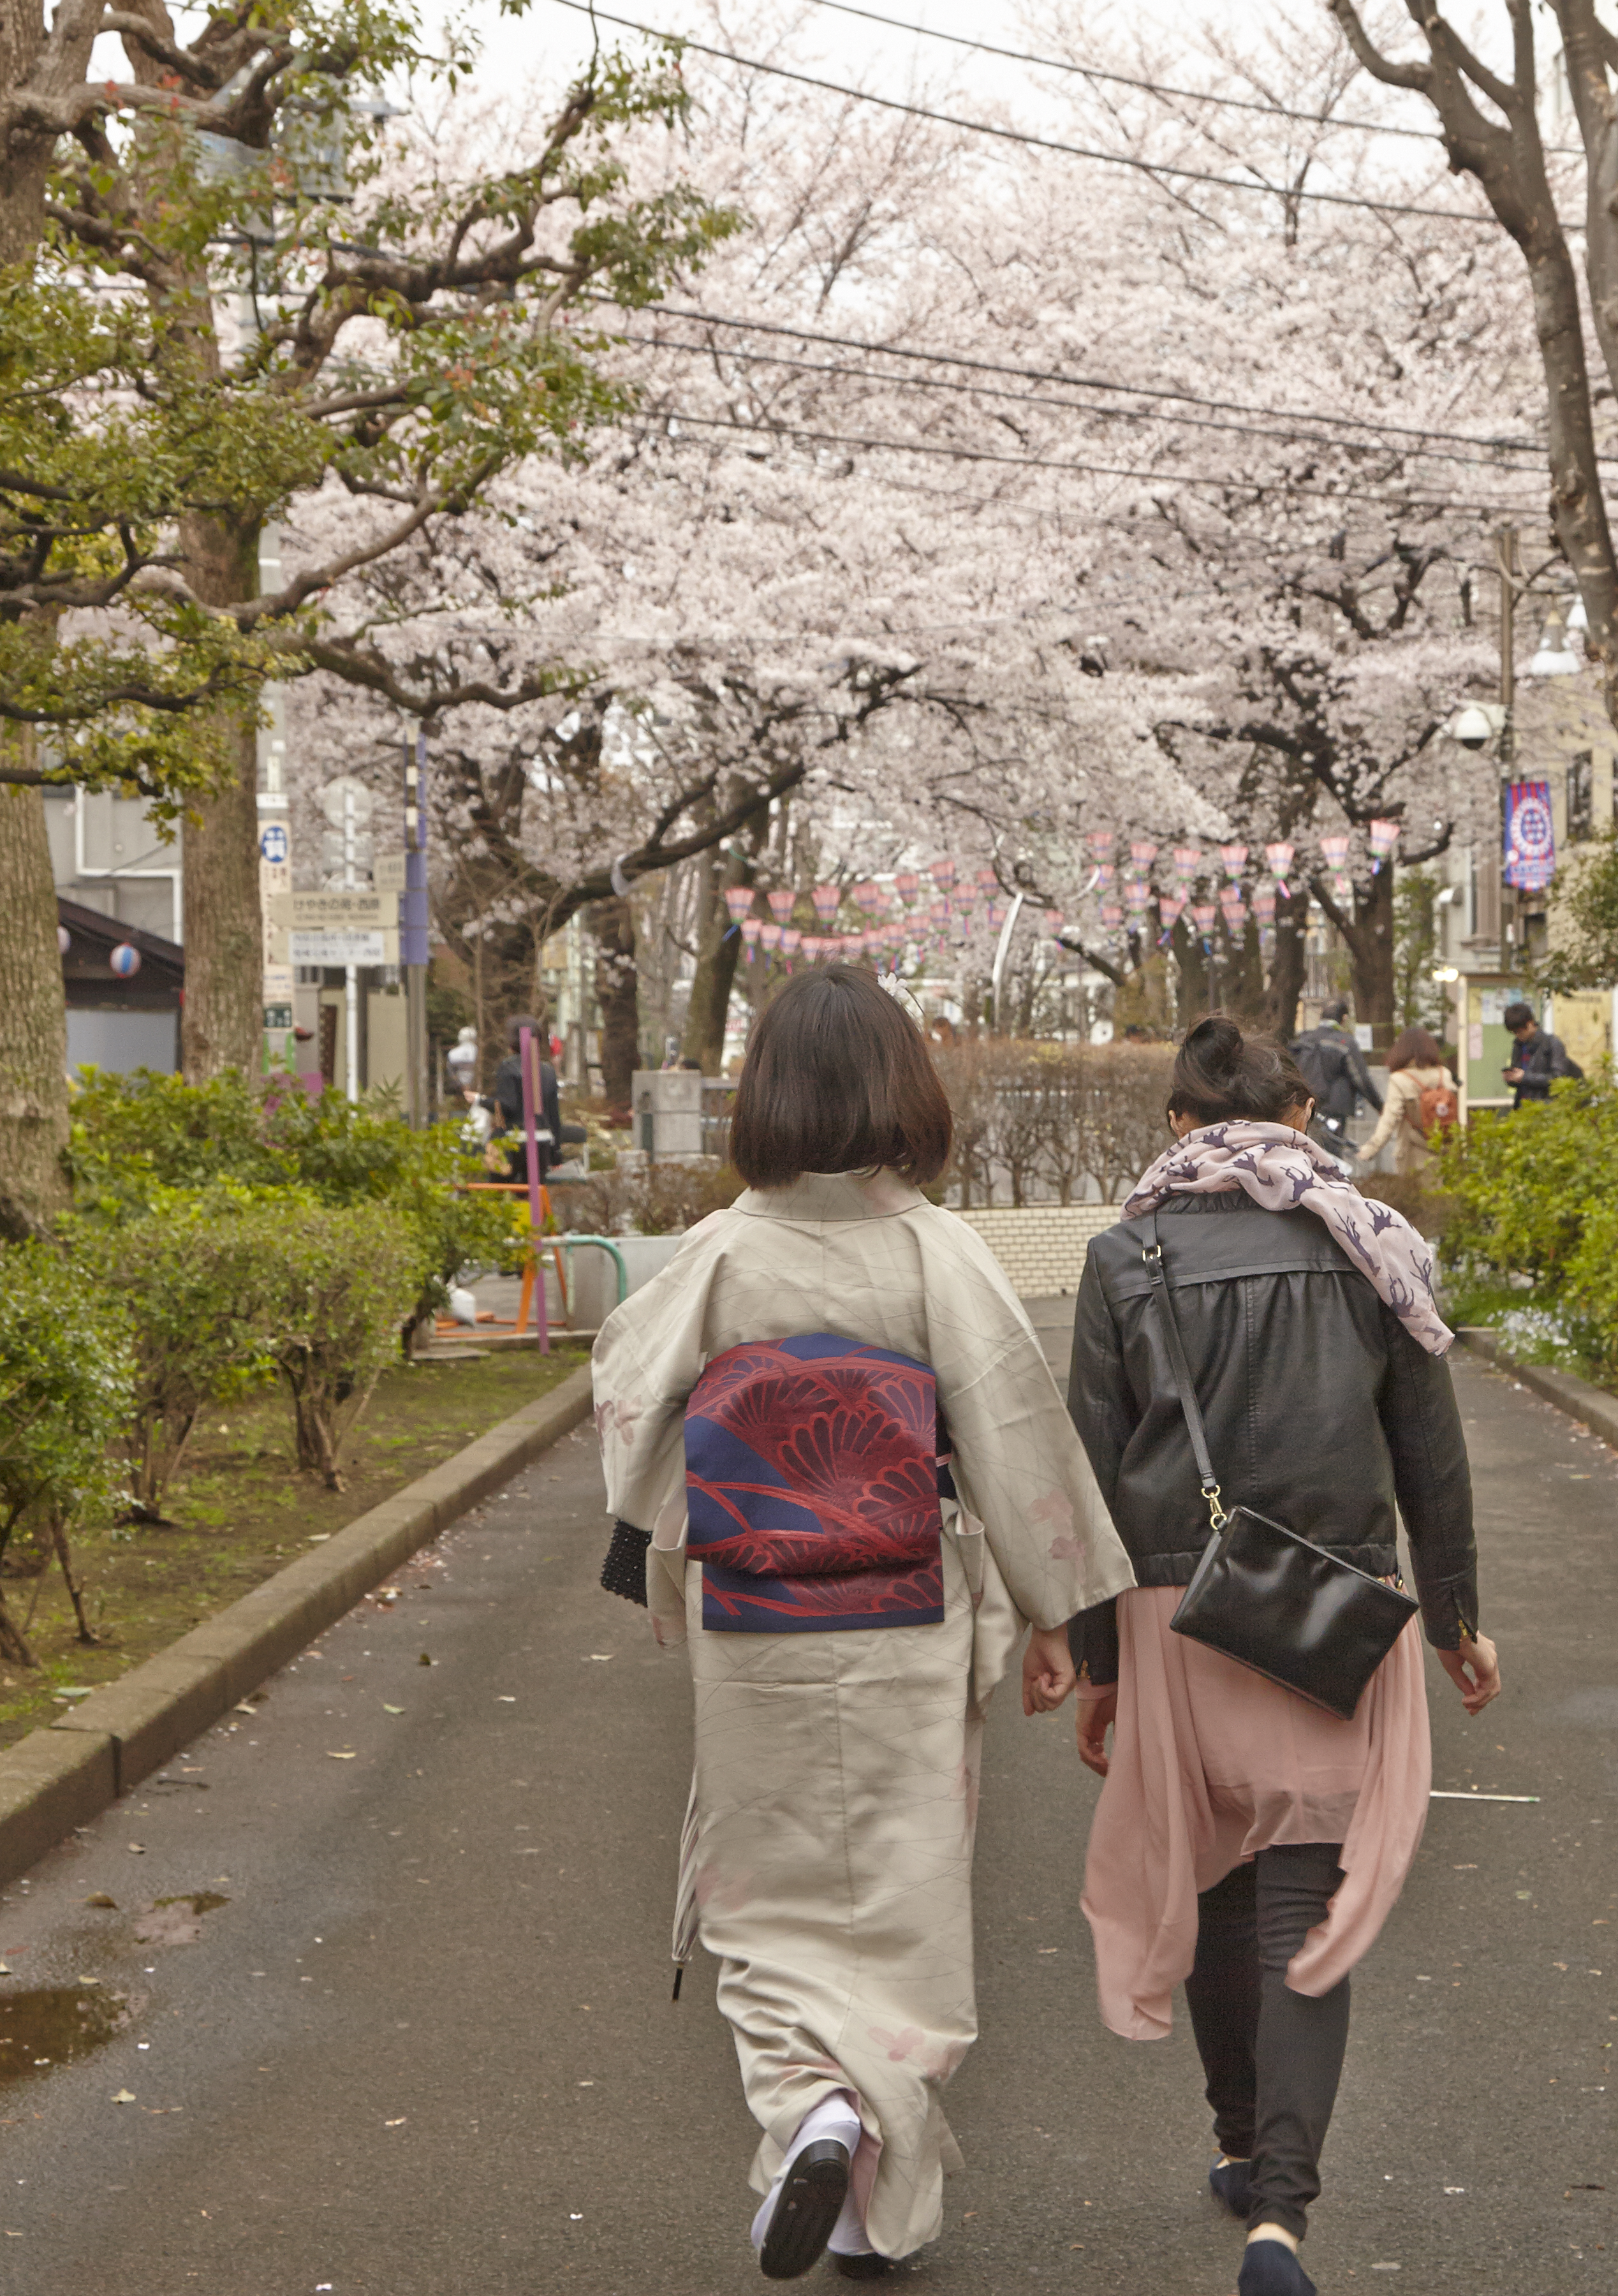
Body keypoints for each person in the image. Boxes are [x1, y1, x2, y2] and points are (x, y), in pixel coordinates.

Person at [591, 964, 1135, 2280]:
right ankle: (862, 2166)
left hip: (755, 1618)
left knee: (764, 1888)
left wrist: (666, 1549)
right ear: (904, 1090)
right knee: (901, 1890)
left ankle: (810, 2122)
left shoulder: (720, 1252)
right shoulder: (933, 1250)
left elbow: (626, 1409)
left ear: (766, 1094)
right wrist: (1059, 1614)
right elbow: (1012, 1433)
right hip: (902, 1615)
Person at [1064, 1017, 1499, 2296]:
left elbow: (1094, 1467)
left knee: (1208, 1873)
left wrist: (1097, 1659)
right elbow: (1429, 1446)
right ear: (1299, 1117)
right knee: (1303, 1898)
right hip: (1336, 1606)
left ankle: (1241, 2141)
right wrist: (1460, 1616)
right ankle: (1280, 2220)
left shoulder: (1123, 1251)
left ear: (1176, 1129)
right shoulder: (1370, 1243)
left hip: (1173, 1606)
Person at [1348, 1027, 1458, 1180]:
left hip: (1414, 1152)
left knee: (1416, 1198)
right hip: (1445, 1150)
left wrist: (1370, 1149)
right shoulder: (1443, 1074)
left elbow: (1389, 1119)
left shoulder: (1400, 1079)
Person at [1287, 1002, 1372, 1159]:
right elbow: (1361, 1079)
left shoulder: (1304, 1039)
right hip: (1335, 1107)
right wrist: (1380, 1105)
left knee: (1307, 1148)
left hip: (1305, 1103)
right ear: (1344, 1018)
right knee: (1331, 1152)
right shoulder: (1344, 1042)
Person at [488, 1028, 563, 1183]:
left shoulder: (508, 1067)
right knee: (532, 1191)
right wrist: (556, 1152)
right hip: (542, 1138)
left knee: (502, 1190)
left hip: (514, 1138)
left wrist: (480, 1101)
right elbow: (554, 1113)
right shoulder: (547, 1070)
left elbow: (509, 1105)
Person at [1498, 1001, 1579, 1107]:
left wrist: (1525, 1077)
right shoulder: (1518, 1045)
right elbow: (1519, 1077)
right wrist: (1512, 1078)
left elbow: (1558, 1078)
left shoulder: (1552, 1044)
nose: (1518, 1035)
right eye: (1514, 1033)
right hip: (1523, 1105)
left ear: (1530, 1024)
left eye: (1520, 1031)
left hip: (1546, 1105)